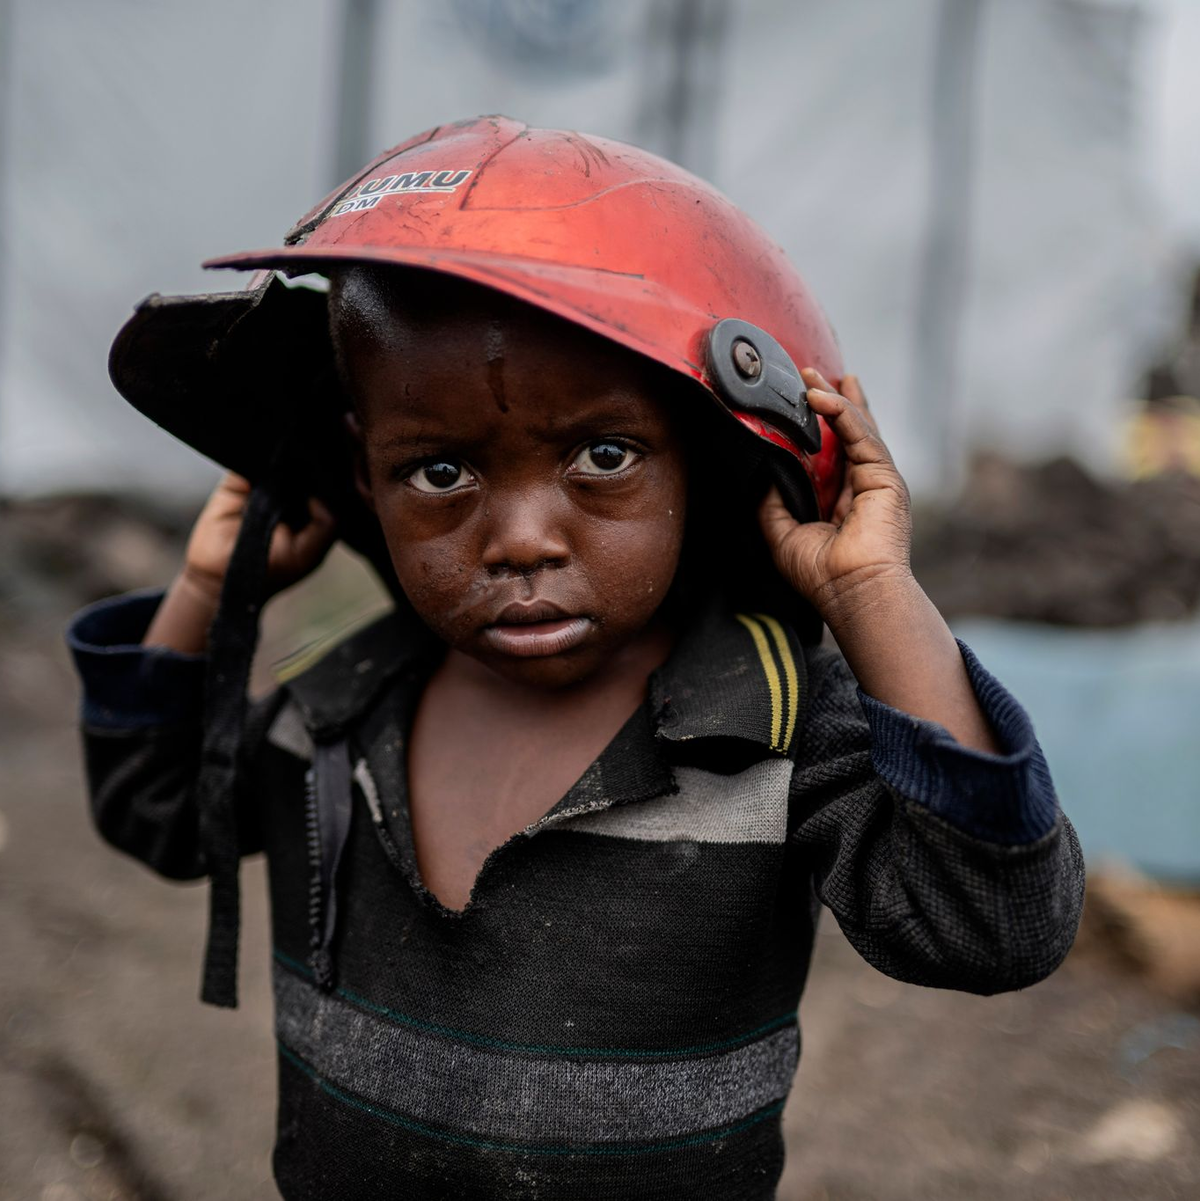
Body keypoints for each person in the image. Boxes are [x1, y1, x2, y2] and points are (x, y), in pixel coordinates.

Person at [68, 116, 1084, 1200]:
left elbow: (994, 926)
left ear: (702, 463)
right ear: (362, 476)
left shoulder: (770, 722)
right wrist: (205, 593)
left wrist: (873, 591)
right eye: (440, 471)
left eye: (604, 456)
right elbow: (158, 809)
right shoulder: (333, 707)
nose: (520, 539)